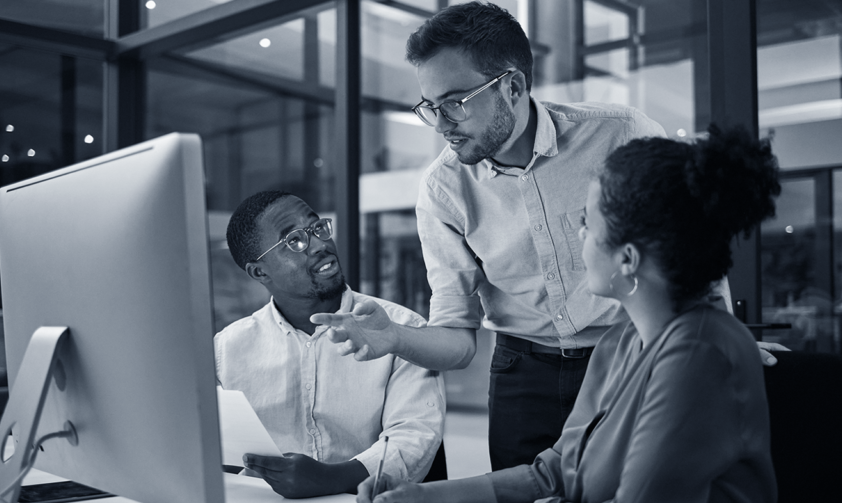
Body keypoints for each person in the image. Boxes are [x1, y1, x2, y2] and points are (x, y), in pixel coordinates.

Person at [312, 1, 783, 473]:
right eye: (429, 108)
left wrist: (720, 336)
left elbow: (691, 242)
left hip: (628, 357)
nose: (440, 125)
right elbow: (458, 338)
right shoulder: (443, 190)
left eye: (454, 103)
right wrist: (394, 337)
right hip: (522, 376)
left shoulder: (620, 135)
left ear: (512, 86)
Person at [357, 125, 781, 503]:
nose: (578, 232)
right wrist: (423, 497)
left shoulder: (701, 353)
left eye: (588, 220)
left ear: (627, 259)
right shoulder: (622, 339)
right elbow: (552, 472)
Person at [215, 190, 445, 499]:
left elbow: (415, 438)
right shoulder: (227, 350)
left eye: (317, 229)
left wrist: (332, 479)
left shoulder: (402, 328)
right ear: (260, 271)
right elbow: (217, 452)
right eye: (294, 241)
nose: (321, 245)